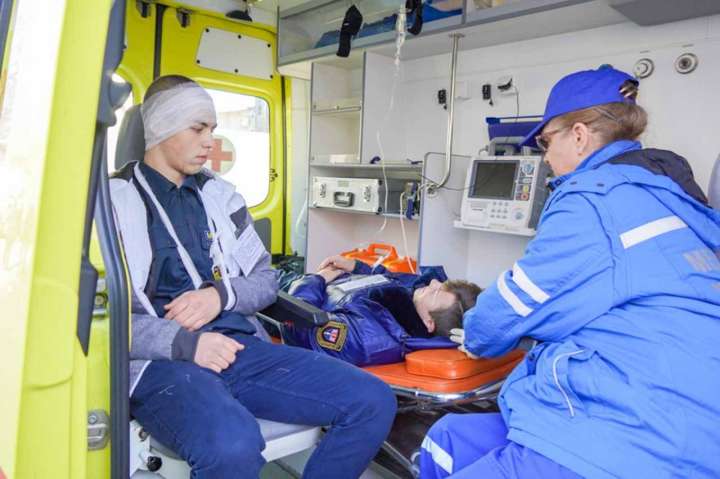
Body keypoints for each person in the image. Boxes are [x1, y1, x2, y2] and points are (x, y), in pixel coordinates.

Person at [420, 66, 720, 478]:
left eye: (545, 142)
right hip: (693, 420)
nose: (545, 157)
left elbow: (505, 312)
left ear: (579, 136)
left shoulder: (591, 198)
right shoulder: (675, 198)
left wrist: (474, 335)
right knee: (446, 439)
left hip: (636, 429)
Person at [110, 75, 397, 479]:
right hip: (162, 364)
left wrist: (220, 296)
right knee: (233, 446)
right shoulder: (112, 206)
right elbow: (98, 318)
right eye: (198, 129)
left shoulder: (222, 199)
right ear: (161, 127)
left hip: (240, 350)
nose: (210, 142)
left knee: (373, 400)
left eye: (212, 130)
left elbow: (265, 281)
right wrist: (186, 343)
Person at [285, 255, 482, 366]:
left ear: (429, 323)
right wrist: (357, 267)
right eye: (441, 284)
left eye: (436, 292)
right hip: (308, 285)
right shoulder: (409, 303)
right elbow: (392, 281)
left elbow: (297, 322)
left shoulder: (367, 338)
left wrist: (316, 279)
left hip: (286, 295)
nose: (433, 282)